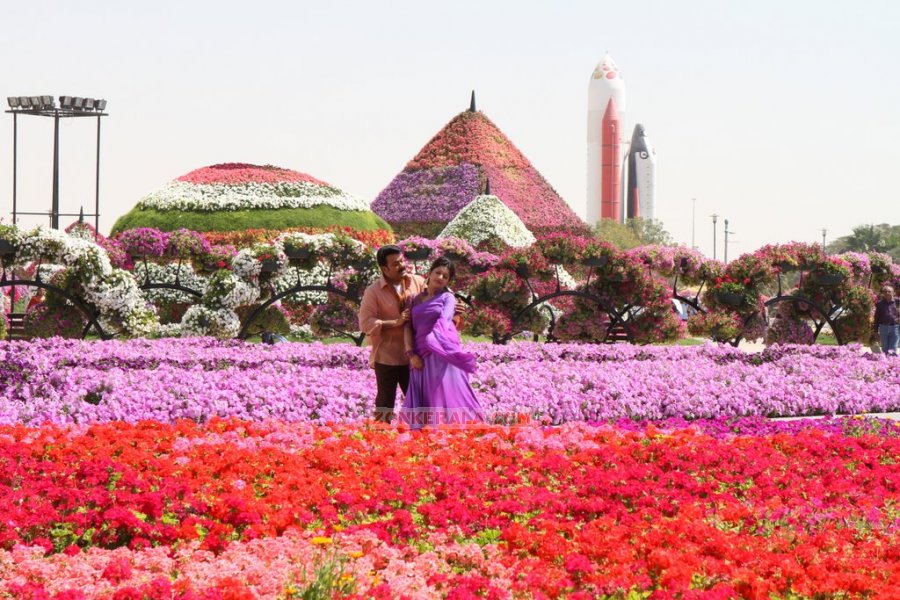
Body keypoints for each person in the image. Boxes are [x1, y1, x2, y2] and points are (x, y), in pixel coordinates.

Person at [401, 257, 484, 429]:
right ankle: (425, 440)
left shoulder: (448, 298)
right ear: (430, 273)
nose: (440, 277)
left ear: (448, 281)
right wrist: (411, 354)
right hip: (419, 357)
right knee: (426, 402)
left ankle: (457, 434)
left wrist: (431, 341)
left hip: (440, 354)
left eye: (445, 276)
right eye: (438, 272)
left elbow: (445, 321)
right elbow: (408, 327)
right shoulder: (414, 299)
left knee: (445, 398)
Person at [358, 245, 425, 422]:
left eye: (402, 261)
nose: (402, 265)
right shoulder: (373, 291)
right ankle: (380, 436)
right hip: (387, 358)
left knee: (419, 404)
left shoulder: (418, 282)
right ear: (384, 269)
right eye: (396, 264)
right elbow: (365, 323)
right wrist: (395, 323)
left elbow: (435, 300)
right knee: (384, 406)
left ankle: (422, 436)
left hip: (414, 358)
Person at [874, 284, 900, 356]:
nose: (887, 293)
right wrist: (876, 331)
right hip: (883, 328)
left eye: (889, 291)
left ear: (893, 292)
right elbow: (876, 318)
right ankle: (885, 362)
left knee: (893, 348)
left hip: (895, 328)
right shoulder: (880, 304)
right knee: (885, 348)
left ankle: (892, 362)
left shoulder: (898, 301)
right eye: (885, 291)